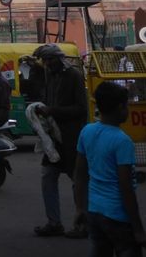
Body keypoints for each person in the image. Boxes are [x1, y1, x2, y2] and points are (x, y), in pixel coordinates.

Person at [74, 81, 146, 256]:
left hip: (94, 211)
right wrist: (138, 229)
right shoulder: (122, 141)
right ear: (120, 108)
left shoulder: (87, 131)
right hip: (117, 215)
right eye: (126, 105)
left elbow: (79, 174)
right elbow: (126, 187)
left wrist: (80, 207)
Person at [31, 43, 89, 239]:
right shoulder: (50, 76)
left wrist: (53, 111)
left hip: (72, 137)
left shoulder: (73, 76)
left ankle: (84, 224)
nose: (47, 64)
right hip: (54, 139)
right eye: (44, 61)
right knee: (48, 177)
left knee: (78, 181)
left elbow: (81, 109)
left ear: (59, 59)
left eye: (49, 60)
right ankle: (54, 223)